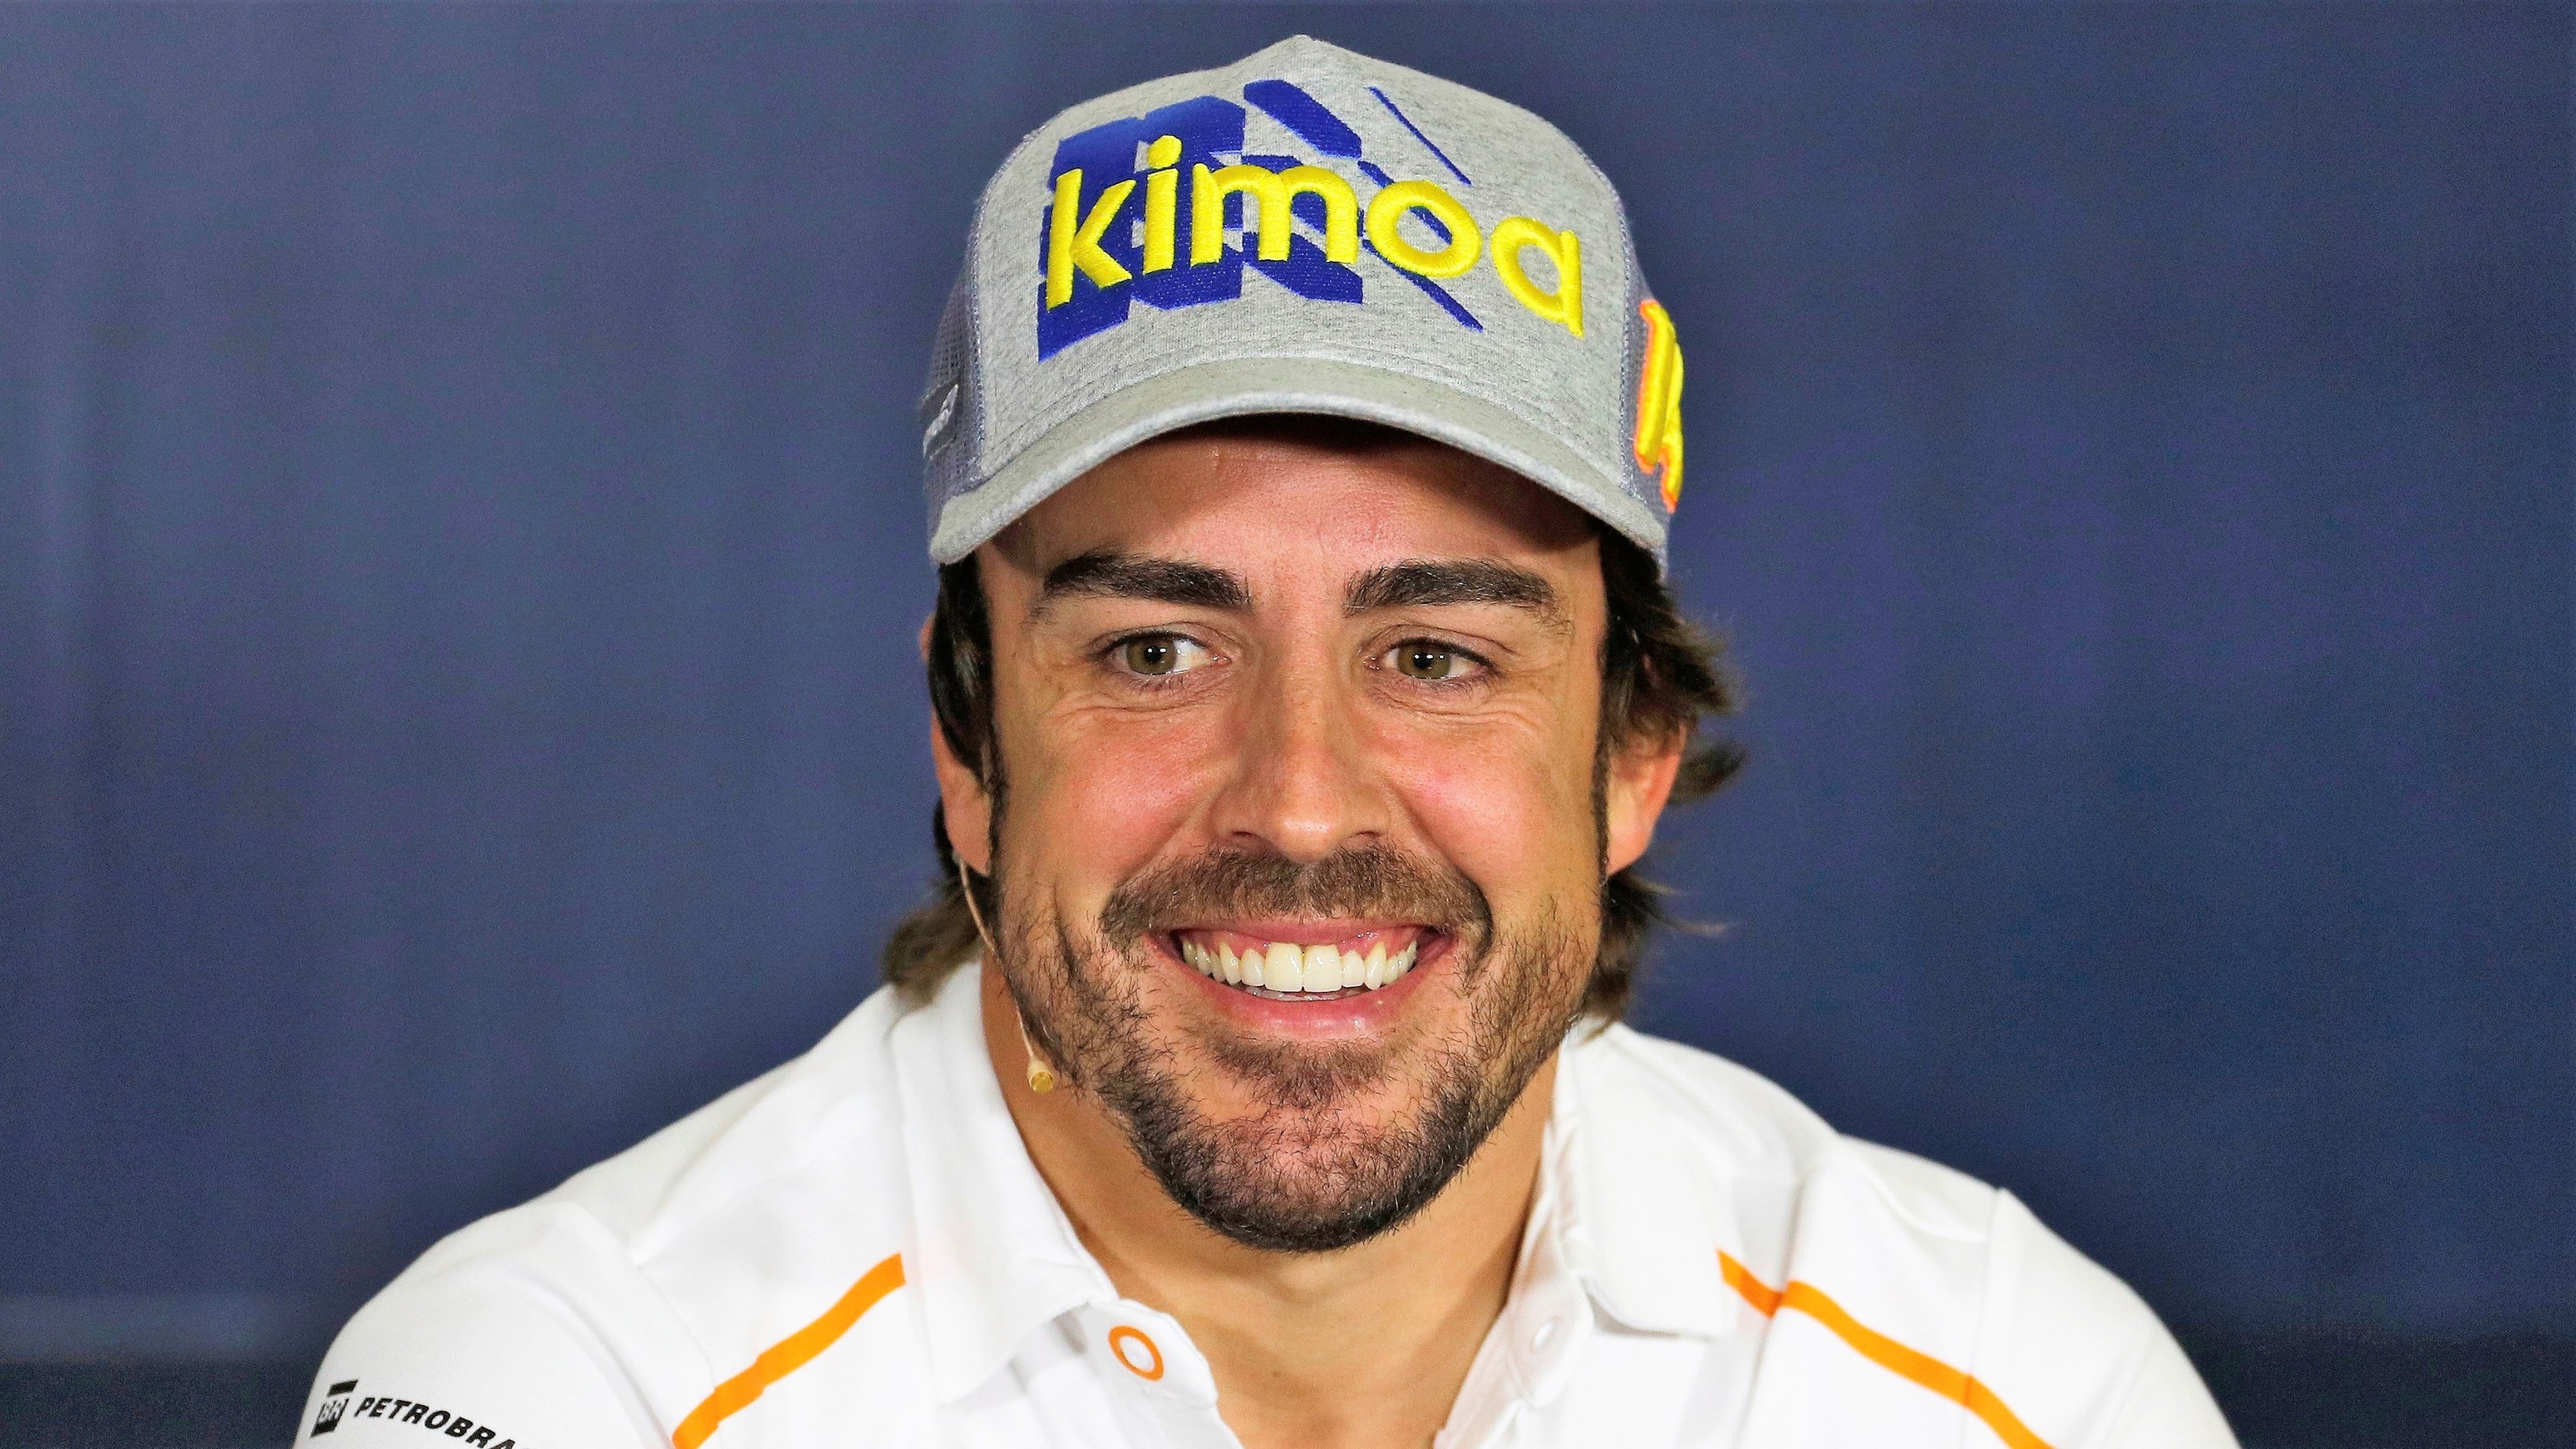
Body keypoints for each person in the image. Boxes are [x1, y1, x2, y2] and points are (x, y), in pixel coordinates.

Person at [296, 36, 2235, 1449]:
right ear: (969, 741)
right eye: (1155, 649)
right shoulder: (562, 1389)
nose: (1300, 802)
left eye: (1438, 655)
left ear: (1633, 755)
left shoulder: (2010, 1387)